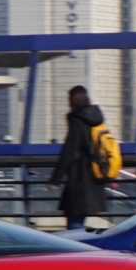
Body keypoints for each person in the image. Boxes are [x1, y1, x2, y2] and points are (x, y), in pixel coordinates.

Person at [47, 85, 107, 231]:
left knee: (74, 223)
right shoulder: (95, 119)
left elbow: (69, 150)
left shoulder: (77, 120)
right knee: (79, 220)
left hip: (80, 179)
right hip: (95, 176)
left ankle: (78, 251)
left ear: (73, 100)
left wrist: (55, 180)